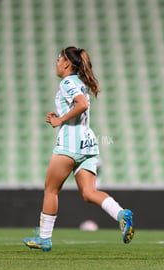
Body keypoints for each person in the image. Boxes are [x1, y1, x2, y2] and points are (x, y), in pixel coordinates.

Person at [23, 46, 134, 252]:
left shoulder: (66, 82)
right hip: (88, 143)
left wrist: (60, 121)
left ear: (67, 64)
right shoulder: (79, 83)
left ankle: (44, 238)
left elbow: (82, 104)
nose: (56, 63)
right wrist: (58, 116)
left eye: (59, 59)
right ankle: (121, 214)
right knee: (89, 192)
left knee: (51, 189)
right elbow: (79, 105)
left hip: (70, 143)